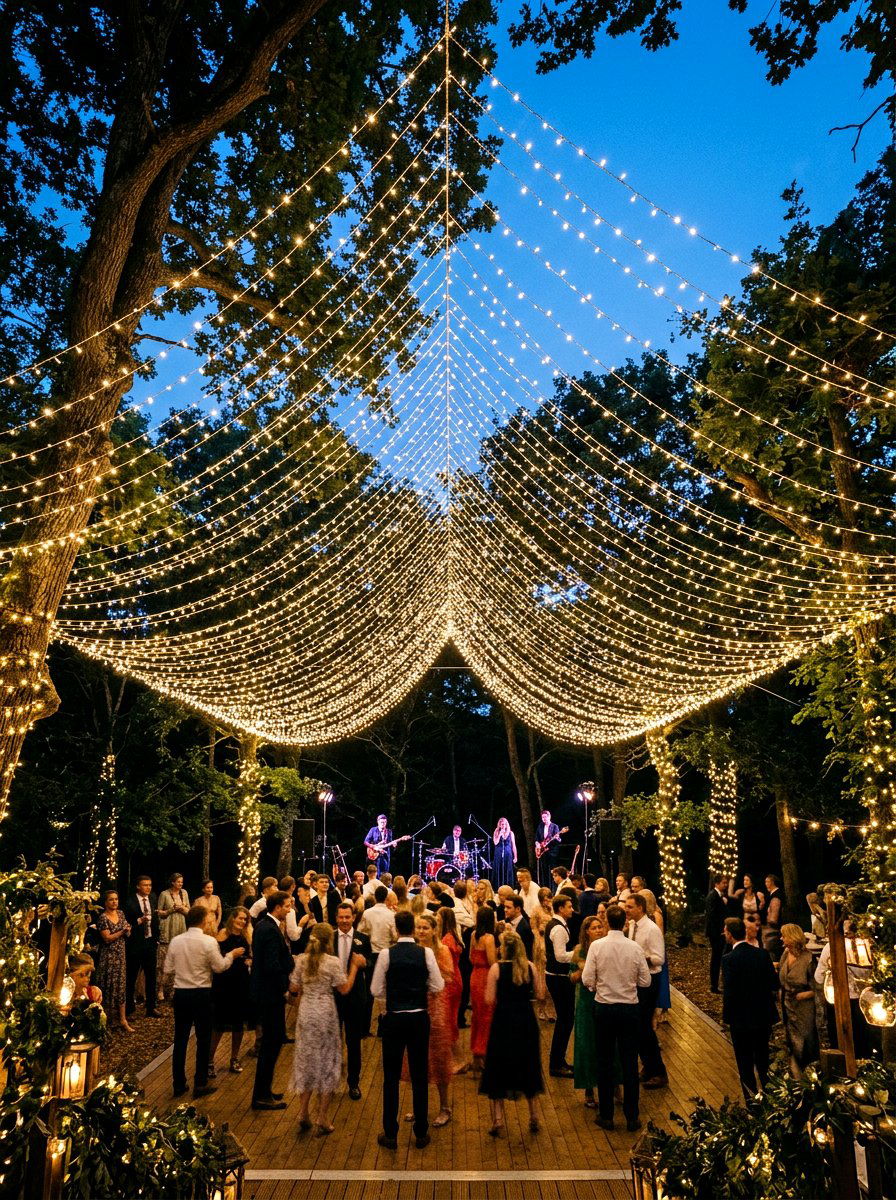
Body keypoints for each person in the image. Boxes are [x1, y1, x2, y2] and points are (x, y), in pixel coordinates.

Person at [370, 908, 445, 1150]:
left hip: (394, 1017)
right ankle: (421, 1132)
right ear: (413, 929)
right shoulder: (426, 953)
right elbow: (437, 984)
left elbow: (375, 990)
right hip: (418, 1017)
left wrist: (392, 994)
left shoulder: (386, 954)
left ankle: (390, 1132)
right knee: (419, 1073)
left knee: (390, 1076)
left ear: (395, 929)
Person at [289, 922, 365, 1135]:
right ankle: (322, 1117)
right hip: (325, 1013)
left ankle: (303, 1112)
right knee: (327, 1062)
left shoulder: (302, 960)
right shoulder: (332, 962)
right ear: (328, 941)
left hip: (306, 1013)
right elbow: (344, 989)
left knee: (306, 1060)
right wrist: (355, 967)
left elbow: (294, 987)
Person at [163, 904, 243, 1099]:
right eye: (209, 920)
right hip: (201, 994)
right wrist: (231, 955)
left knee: (180, 1039)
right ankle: (200, 1083)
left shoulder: (176, 941)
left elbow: (167, 969)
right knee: (203, 1038)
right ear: (202, 921)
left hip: (181, 993)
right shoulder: (208, 942)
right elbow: (219, 967)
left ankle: (179, 1084)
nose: (211, 923)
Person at [582, 903, 649, 1133]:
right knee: (630, 1062)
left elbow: (587, 978)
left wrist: (597, 987)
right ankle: (632, 1116)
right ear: (624, 923)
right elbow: (646, 981)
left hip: (605, 1007)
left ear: (608, 923)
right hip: (629, 1008)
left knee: (605, 1061)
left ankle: (607, 1115)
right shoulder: (635, 948)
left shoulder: (597, 947)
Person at [479, 929, 544, 1136]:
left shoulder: (496, 969)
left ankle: (498, 1120)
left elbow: (489, 999)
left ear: (504, 948)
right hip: (526, 1020)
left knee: (498, 1066)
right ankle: (534, 1115)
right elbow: (541, 993)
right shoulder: (530, 967)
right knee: (529, 1064)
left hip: (503, 1021)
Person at [404, 913, 454, 1128]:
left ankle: (444, 1107)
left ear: (434, 930)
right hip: (415, 1004)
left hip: (436, 1008)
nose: (421, 931)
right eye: (419, 927)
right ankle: (419, 1106)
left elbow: (449, 977)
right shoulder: (414, 951)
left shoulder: (441, 950)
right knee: (417, 1057)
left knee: (438, 1057)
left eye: (425, 927)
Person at [721, 916, 779, 1099]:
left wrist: (727, 1018)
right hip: (762, 1015)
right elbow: (773, 983)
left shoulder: (729, 959)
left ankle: (752, 1102)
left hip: (741, 1019)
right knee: (763, 1059)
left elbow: (729, 991)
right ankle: (771, 1097)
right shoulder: (762, 954)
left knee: (744, 1061)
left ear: (729, 934)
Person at [250, 890, 294, 1110]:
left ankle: (265, 1090)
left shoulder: (267, 926)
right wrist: (286, 987)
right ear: (277, 907)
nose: (290, 909)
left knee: (273, 1042)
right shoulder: (268, 929)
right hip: (270, 995)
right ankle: (260, 1095)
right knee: (272, 1043)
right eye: (288, 906)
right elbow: (271, 964)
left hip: (269, 993)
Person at [625, 892, 667, 1088]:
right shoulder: (632, 926)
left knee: (644, 1026)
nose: (626, 909)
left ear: (640, 908)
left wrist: (640, 958)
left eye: (630, 906)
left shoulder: (651, 929)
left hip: (651, 979)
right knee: (637, 1026)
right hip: (636, 979)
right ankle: (648, 1066)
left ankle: (659, 1071)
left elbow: (659, 958)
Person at [332, 901, 372, 1101]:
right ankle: (330, 1080)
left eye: (347, 917)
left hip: (355, 997)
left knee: (354, 1042)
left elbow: (370, 962)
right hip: (332, 998)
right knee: (332, 1040)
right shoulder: (329, 938)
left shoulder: (362, 939)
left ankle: (353, 1083)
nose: (344, 921)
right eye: (341, 917)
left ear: (353, 918)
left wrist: (365, 963)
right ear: (336, 918)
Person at [210, 907, 253, 1076]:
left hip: (241, 982)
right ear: (232, 918)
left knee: (238, 1024)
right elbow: (217, 958)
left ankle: (234, 1058)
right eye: (240, 918)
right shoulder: (222, 934)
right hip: (224, 982)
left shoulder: (245, 936)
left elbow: (249, 955)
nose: (242, 922)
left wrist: (248, 960)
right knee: (219, 1024)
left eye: (245, 920)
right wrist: (232, 955)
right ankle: (209, 1060)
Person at [778, 923, 818, 1078]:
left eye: (784, 936)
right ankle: (795, 1075)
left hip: (804, 1007)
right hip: (787, 1003)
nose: (781, 938)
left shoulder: (808, 959)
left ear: (792, 938)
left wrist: (805, 995)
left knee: (805, 1039)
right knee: (791, 1040)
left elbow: (817, 988)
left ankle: (808, 1073)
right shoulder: (785, 954)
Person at [570, 914, 601, 1108]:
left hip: (603, 999)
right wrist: (583, 972)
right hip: (585, 1001)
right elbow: (571, 977)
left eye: (600, 927)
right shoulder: (579, 951)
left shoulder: (607, 947)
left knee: (607, 1043)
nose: (598, 930)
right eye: (594, 928)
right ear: (586, 932)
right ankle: (589, 1088)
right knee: (586, 1043)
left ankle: (613, 1083)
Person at [358, 884, 397, 1036]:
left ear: (375, 897)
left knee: (368, 992)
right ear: (387, 898)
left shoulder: (367, 913)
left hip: (371, 955)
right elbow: (394, 936)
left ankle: (364, 1028)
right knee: (384, 993)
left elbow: (361, 932)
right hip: (385, 955)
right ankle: (383, 1028)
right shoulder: (390, 915)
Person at [544, 894, 576, 1076]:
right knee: (565, 1019)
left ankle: (558, 1060)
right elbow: (560, 956)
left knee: (565, 1019)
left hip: (556, 976)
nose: (571, 909)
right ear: (560, 908)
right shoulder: (558, 929)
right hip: (558, 977)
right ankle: (556, 1063)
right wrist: (578, 952)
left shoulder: (557, 925)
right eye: (569, 906)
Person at [95, 890, 132, 1032]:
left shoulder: (121, 914)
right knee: (108, 985)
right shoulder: (103, 918)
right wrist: (122, 932)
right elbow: (107, 938)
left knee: (120, 986)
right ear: (106, 902)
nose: (114, 902)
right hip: (108, 956)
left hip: (120, 955)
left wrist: (128, 930)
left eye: (116, 899)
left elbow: (127, 930)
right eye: (111, 900)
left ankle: (122, 1019)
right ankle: (106, 1020)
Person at [124, 874, 160, 1020]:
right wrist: (139, 920)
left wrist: (156, 937)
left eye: (150, 885)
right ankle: (129, 1008)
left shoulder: (152, 898)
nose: (148, 888)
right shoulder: (130, 901)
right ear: (138, 886)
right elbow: (126, 921)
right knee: (131, 976)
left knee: (152, 976)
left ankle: (151, 1007)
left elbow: (155, 918)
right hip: (135, 943)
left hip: (150, 942)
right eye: (145, 885)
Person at [468, 905, 498, 1072]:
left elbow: (471, 957)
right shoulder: (489, 939)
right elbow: (492, 961)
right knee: (488, 1015)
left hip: (475, 976)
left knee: (478, 1015)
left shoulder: (474, 935)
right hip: (486, 977)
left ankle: (476, 1054)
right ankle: (485, 1053)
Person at [157, 873, 190, 1004]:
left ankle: (174, 990)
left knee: (180, 961)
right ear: (172, 882)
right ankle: (160, 990)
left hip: (180, 928)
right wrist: (171, 910)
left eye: (182, 882)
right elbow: (159, 913)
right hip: (168, 929)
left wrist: (182, 908)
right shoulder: (164, 894)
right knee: (164, 962)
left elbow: (189, 911)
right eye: (178, 882)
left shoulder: (184, 893)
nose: (180, 884)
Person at [437, 905, 464, 1043]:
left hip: (451, 980)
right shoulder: (451, 936)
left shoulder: (447, 939)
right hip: (454, 977)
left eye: (438, 917)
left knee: (449, 1016)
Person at [530, 886, 554, 1021]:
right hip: (540, 945)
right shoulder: (536, 910)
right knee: (541, 978)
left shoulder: (552, 909)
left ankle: (551, 1009)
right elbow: (533, 928)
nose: (547, 901)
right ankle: (541, 1008)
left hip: (551, 943)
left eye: (548, 898)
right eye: (544, 899)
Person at [705, 873, 730, 994]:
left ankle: (715, 984)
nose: (726, 885)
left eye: (726, 883)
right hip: (716, 934)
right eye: (724, 883)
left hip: (719, 932)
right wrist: (719, 932)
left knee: (718, 957)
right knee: (716, 958)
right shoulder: (713, 896)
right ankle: (713, 985)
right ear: (717, 884)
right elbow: (711, 916)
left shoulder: (719, 896)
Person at [503, 893, 534, 960]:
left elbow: (527, 953)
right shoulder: (505, 922)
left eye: (508, 907)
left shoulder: (525, 928)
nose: (505, 910)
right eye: (505, 907)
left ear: (518, 909)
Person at [763, 875, 785, 961]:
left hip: (774, 932)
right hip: (777, 930)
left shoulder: (776, 896)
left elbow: (773, 918)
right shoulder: (776, 894)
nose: (766, 884)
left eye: (767, 882)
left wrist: (764, 923)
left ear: (772, 882)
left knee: (772, 955)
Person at [535, 810, 561, 884]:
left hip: (552, 852)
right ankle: (545, 886)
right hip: (543, 852)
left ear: (549, 817)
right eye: (542, 817)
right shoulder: (540, 826)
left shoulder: (554, 826)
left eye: (545, 817)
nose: (544, 819)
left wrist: (556, 838)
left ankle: (554, 888)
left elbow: (558, 840)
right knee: (544, 870)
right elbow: (537, 838)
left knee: (553, 871)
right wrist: (537, 844)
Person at [491, 818, 517, 889]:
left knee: (507, 870)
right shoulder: (496, 831)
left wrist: (515, 856)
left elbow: (513, 845)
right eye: (502, 824)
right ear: (499, 825)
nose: (503, 826)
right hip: (498, 854)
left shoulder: (511, 833)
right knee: (499, 869)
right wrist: (499, 835)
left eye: (504, 824)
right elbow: (495, 843)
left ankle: (508, 888)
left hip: (508, 854)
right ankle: (497, 888)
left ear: (506, 825)